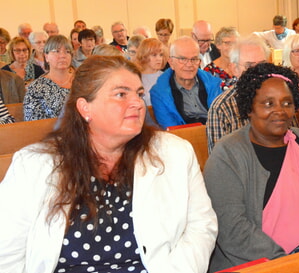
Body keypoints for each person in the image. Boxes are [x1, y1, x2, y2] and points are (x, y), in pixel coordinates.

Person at [0, 55, 217, 272]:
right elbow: (7, 254)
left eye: (139, 94)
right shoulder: (34, 166)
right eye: (121, 94)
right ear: (85, 108)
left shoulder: (174, 153)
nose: (138, 103)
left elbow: (201, 225)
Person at [204, 62, 299, 272]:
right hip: (264, 265)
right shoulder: (228, 154)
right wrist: (289, 264)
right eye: (268, 103)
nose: (279, 111)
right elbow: (232, 228)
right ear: (249, 108)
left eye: (286, 103)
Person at [206, 36, 269, 151]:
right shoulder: (222, 108)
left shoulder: (279, 97)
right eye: (249, 66)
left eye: (262, 65)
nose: (258, 71)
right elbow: (220, 161)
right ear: (234, 69)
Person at [150, 37, 222, 128]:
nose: (189, 65)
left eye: (194, 59)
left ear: (199, 62)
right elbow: (171, 130)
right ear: (171, 63)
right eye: (182, 59)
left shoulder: (213, 84)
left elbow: (221, 120)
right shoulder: (159, 93)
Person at [23, 35, 73, 121]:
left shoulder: (82, 83)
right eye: (57, 51)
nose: (62, 55)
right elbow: (33, 125)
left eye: (67, 51)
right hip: (52, 133)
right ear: (46, 57)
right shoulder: (36, 88)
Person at [135, 38, 168, 106]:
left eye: (161, 55)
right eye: (154, 55)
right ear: (144, 56)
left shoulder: (167, 77)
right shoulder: (136, 78)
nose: (159, 59)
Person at [204, 27, 239, 91]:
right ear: (218, 45)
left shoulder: (243, 67)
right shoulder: (209, 71)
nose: (232, 47)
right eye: (227, 43)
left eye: (235, 43)